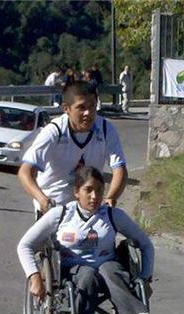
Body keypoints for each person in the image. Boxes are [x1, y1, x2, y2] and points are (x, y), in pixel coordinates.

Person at [17, 166, 154, 314]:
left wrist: (145, 278)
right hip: (73, 270)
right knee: (87, 274)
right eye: (88, 190)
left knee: (111, 271)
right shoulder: (61, 215)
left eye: (99, 190)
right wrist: (34, 277)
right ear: (76, 192)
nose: (94, 196)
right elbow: (25, 245)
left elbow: (145, 244)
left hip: (108, 267)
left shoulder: (113, 215)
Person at [18, 81, 128, 215]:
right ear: (66, 109)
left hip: (88, 207)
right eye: (81, 107)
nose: (88, 113)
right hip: (54, 206)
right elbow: (25, 172)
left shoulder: (106, 129)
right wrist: (43, 200)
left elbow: (120, 169)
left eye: (92, 106)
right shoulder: (54, 131)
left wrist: (111, 197)